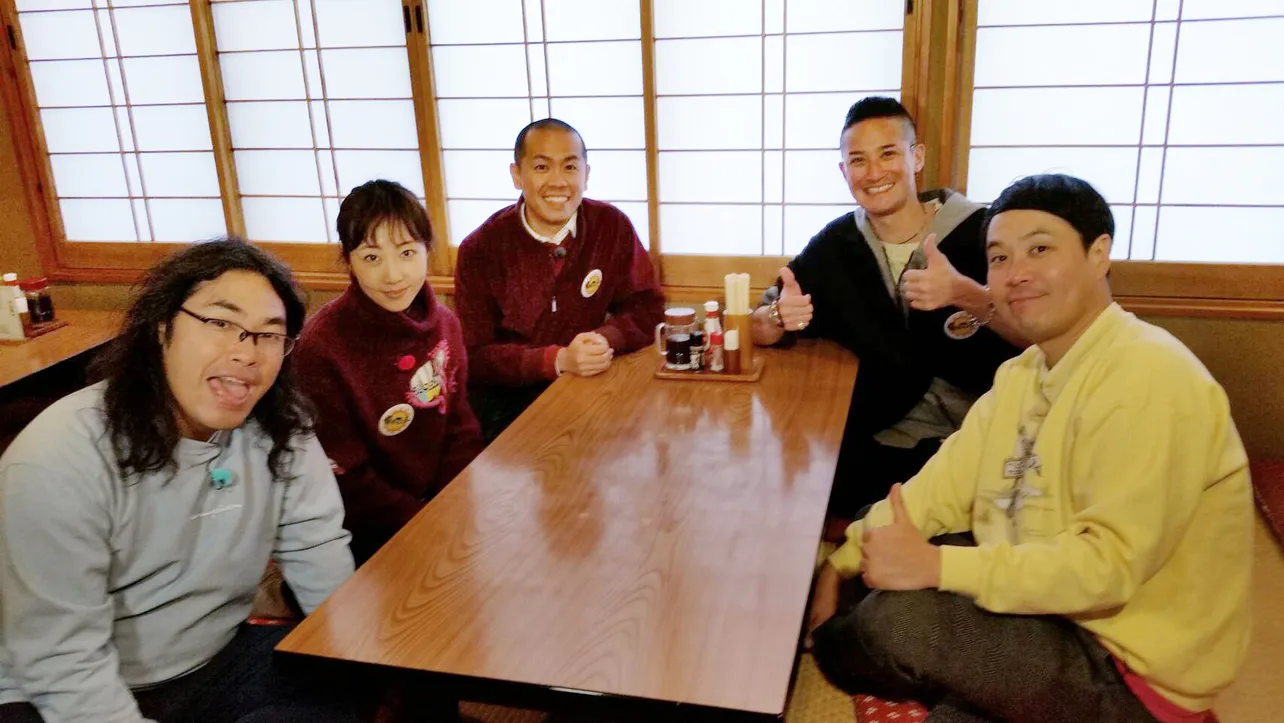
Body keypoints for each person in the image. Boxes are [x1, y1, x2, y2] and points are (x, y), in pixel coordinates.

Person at [808, 175, 1252, 723]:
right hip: (1047, 608)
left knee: (896, 619)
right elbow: (941, 487)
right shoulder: (1023, 372)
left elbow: (1104, 570)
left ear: (1098, 254)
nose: (1015, 274)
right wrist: (841, 565)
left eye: (1040, 249)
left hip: (1124, 663)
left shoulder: (1154, 377)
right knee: (882, 553)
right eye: (998, 258)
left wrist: (935, 567)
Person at [0, 240, 363, 722]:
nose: (246, 352)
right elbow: (61, 659)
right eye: (220, 323)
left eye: (269, 334)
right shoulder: (58, 457)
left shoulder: (280, 430)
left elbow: (317, 553)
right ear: (162, 327)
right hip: (55, 688)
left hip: (215, 661)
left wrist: (352, 668)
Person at [751, 96, 1027, 524]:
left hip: (982, 436)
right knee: (781, 484)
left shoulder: (984, 231)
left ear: (916, 157)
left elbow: (1045, 338)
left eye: (888, 154)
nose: (875, 172)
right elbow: (760, 323)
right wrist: (778, 318)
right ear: (844, 172)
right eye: (858, 160)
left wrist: (967, 293)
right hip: (879, 438)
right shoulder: (836, 245)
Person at [295, 179, 483, 564]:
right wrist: (421, 522)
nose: (394, 275)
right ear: (348, 261)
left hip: (444, 509)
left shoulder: (446, 323)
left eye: (407, 252)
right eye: (371, 258)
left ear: (427, 251)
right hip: (364, 533)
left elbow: (459, 423)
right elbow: (344, 471)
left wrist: (453, 503)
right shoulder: (320, 348)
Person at [454, 118, 666, 442]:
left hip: (592, 389)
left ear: (586, 174)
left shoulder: (611, 226)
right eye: (541, 167)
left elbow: (647, 307)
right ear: (516, 175)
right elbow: (476, 355)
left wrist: (606, 338)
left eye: (569, 167)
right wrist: (556, 360)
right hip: (507, 414)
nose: (558, 182)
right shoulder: (480, 249)